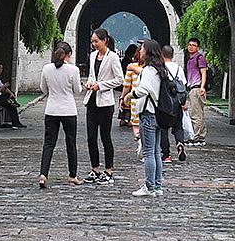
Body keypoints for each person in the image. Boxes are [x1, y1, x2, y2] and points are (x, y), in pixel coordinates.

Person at [36, 43, 83, 188]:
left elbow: (43, 89)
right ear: (69, 54)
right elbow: (77, 90)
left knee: (49, 143)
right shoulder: (73, 70)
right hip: (68, 110)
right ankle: (72, 175)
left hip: (52, 110)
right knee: (71, 143)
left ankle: (43, 174)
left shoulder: (47, 68)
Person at [81, 29, 125, 184]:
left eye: (96, 41)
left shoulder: (113, 57)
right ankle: (95, 168)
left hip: (105, 102)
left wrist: (102, 86)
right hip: (92, 100)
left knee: (105, 137)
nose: (94, 44)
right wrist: (89, 82)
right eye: (92, 41)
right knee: (91, 137)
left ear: (105, 40)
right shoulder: (93, 56)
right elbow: (93, 75)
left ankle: (108, 170)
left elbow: (120, 79)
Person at [128, 39, 170, 197]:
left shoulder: (147, 70)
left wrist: (129, 96)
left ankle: (149, 186)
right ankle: (158, 186)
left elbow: (143, 89)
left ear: (148, 52)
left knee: (148, 152)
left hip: (148, 113)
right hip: (159, 114)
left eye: (143, 48)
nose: (140, 51)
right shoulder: (160, 69)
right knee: (156, 151)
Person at [184, 38, 210, 145]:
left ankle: (196, 135)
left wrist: (202, 87)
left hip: (197, 88)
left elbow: (203, 73)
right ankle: (201, 135)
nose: (191, 47)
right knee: (199, 113)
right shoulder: (190, 59)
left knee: (196, 114)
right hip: (192, 88)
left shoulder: (200, 58)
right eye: (189, 45)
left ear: (197, 47)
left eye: (193, 45)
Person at [0, 62, 27, 129]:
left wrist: (11, 93)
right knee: (9, 102)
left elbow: (4, 87)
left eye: (1, 68)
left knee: (11, 105)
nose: (0, 70)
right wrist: (3, 87)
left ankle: (16, 122)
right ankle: (16, 122)